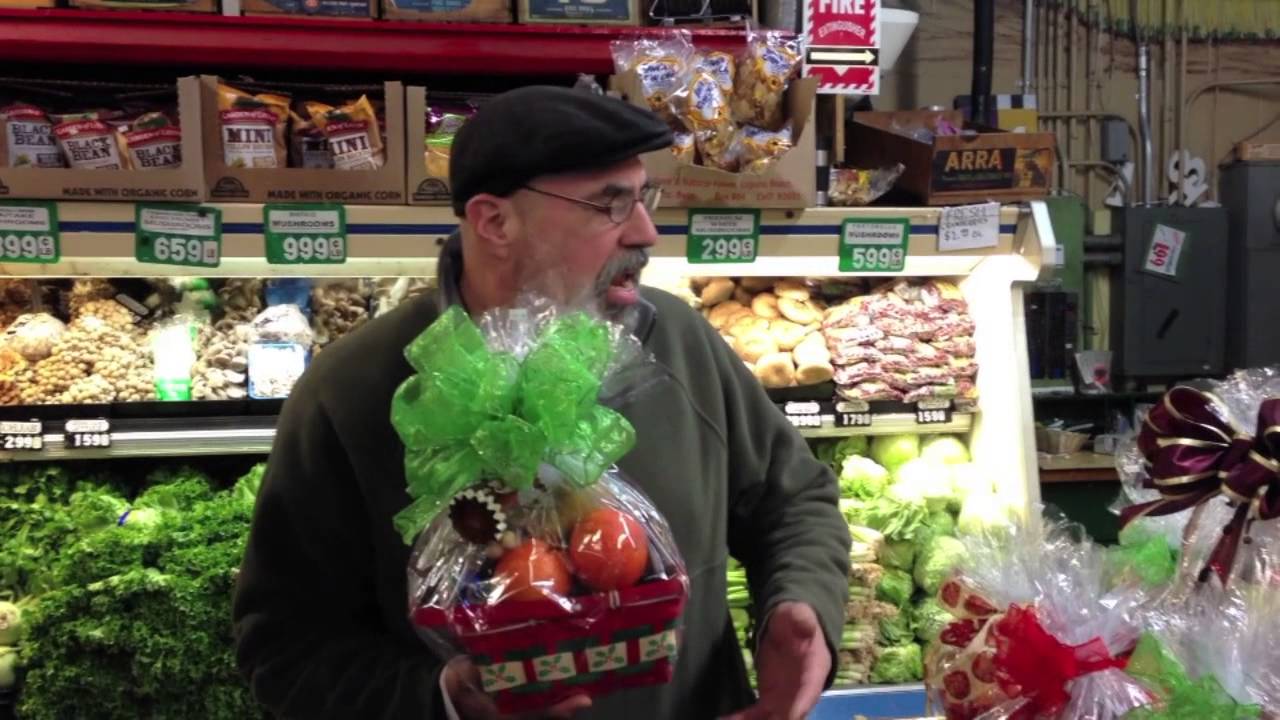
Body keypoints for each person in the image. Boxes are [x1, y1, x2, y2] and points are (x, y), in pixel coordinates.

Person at [233, 85, 851, 720]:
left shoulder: (680, 341)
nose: (645, 231)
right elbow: (284, 648)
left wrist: (801, 605)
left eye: (645, 198)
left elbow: (794, 500)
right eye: (610, 205)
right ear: (494, 221)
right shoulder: (356, 389)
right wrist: (440, 700)